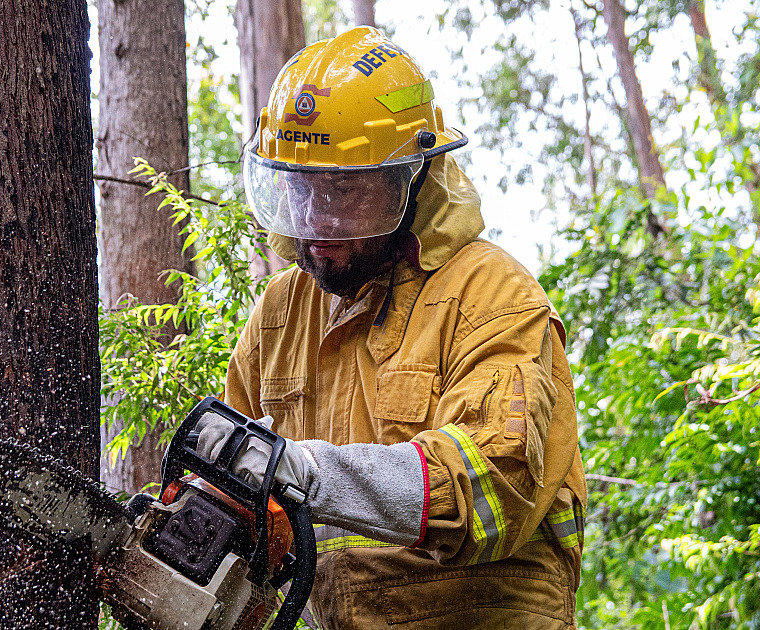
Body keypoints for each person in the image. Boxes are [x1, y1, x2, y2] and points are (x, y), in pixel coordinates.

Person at [210, 26, 587, 629]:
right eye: (303, 190)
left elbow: (492, 486)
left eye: (344, 192)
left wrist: (313, 475)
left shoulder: (493, 295)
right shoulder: (281, 314)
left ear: (410, 179)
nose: (318, 220)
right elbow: (237, 493)